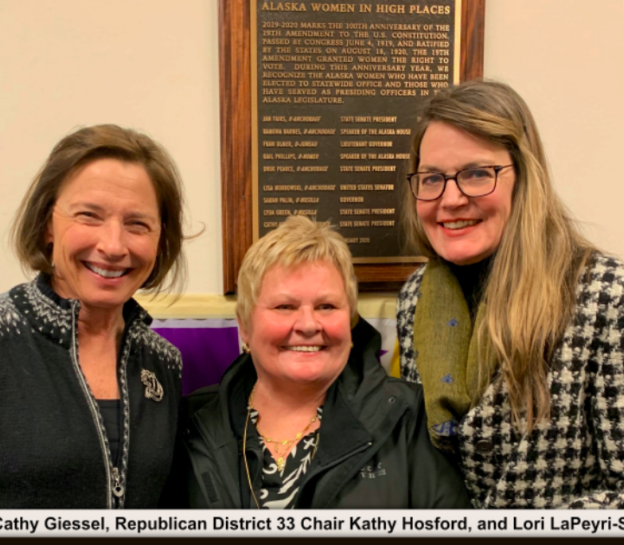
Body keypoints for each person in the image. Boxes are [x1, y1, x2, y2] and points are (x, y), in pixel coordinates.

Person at [398, 79, 624, 509]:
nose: (451, 199)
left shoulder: (616, 298)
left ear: (525, 177)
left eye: (477, 173)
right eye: (432, 179)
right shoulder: (414, 298)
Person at [0, 124, 189, 509]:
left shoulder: (164, 363)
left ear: (161, 238)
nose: (113, 245)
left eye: (137, 224)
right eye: (89, 215)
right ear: (48, 223)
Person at [180, 215, 470, 509]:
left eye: (326, 306)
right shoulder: (190, 423)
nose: (308, 324)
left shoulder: (410, 418)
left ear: (351, 321)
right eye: (285, 306)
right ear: (244, 327)